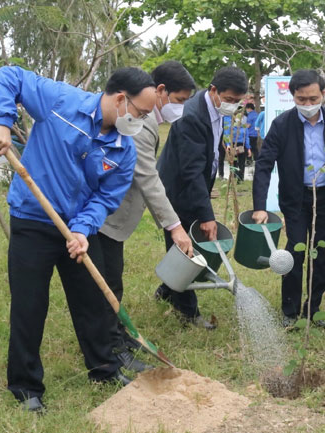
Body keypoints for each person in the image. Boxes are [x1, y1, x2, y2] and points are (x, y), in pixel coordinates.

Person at [0, 66, 156, 411]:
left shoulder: (124, 149)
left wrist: (82, 228)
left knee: (92, 300)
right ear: (122, 99)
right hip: (33, 220)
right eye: (142, 112)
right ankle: (26, 387)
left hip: (77, 228)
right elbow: (9, 76)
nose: (143, 120)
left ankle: (104, 370)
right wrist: (2, 121)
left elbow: (106, 198)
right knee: (30, 304)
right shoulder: (61, 102)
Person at [98, 61, 196, 373]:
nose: (179, 109)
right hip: (104, 215)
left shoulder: (146, 119)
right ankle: (110, 347)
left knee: (112, 279)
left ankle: (116, 337)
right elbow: (147, 177)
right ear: (160, 91)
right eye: (178, 101)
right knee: (107, 284)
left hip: (110, 215)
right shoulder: (137, 122)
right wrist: (175, 226)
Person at [252, 69, 325, 328]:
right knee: (295, 250)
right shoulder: (282, 124)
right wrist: (259, 207)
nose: (308, 104)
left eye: (312, 98)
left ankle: (313, 309)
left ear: (323, 93)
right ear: (292, 96)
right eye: (301, 99)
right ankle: (290, 311)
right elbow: (264, 165)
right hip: (295, 199)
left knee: (322, 253)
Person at [155, 66, 249, 329]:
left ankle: (166, 289)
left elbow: (207, 143)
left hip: (192, 184)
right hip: (178, 189)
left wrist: (220, 147)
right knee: (186, 248)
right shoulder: (191, 116)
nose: (232, 105)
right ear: (214, 90)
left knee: (187, 245)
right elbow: (191, 172)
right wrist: (206, 215)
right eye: (229, 100)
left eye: (237, 101)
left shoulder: (214, 109)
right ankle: (187, 312)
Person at [223, 113, 252, 182]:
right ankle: (233, 177)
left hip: (241, 145)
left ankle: (240, 178)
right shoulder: (231, 127)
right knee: (233, 162)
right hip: (233, 145)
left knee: (241, 163)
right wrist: (228, 145)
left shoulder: (244, 128)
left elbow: (247, 138)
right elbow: (226, 135)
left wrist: (248, 148)